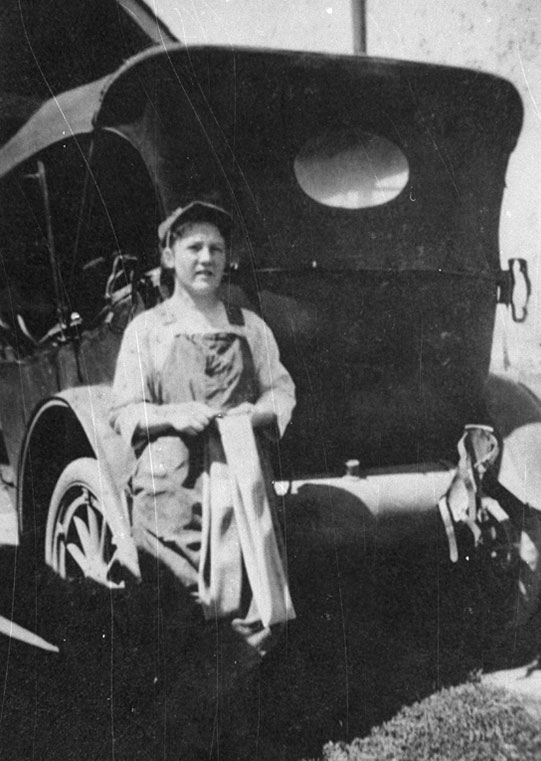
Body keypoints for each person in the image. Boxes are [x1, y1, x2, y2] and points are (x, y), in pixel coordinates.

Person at [109, 199, 296, 757]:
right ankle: (175, 734)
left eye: (216, 248)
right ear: (169, 256)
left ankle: (211, 722)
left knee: (260, 605)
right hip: (173, 490)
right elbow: (123, 411)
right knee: (177, 609)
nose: (206, 258)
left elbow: (282, 392)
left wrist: (250, 414)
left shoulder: (249, 326)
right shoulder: (148, 330)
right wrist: (171, 415)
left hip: (241, 483)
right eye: (194, 247)